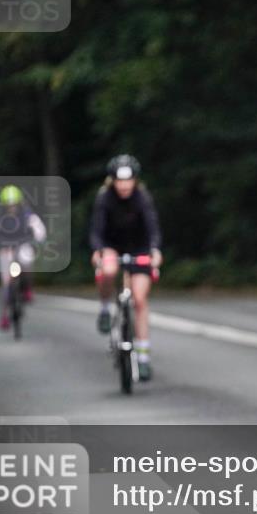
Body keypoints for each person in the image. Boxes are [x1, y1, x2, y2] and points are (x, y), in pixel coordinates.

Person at [89, 155, 163, 380]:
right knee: (109, 270)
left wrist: (155, 251)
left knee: (140, 300)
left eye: (128, 180)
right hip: (112, 246)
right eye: (119, 181)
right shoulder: (105, 199)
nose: (123, 186)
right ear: (112, 181)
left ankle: (142, 357)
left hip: (139, 248)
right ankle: (104, 307)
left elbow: (153, 229)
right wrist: (98, 251)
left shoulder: (143, 198)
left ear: (135, 180)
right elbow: (96, 231)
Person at [0, 185, 47, 330]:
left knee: (27, 262)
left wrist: (39, 237)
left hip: (23, 245)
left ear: (19, 203)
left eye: (14, 204)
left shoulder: (27, 214)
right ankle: (4, 315)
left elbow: (38, 227)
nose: (11, 207)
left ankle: (27, 288)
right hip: (5, 249)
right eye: (8, 205)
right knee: (6, 282)